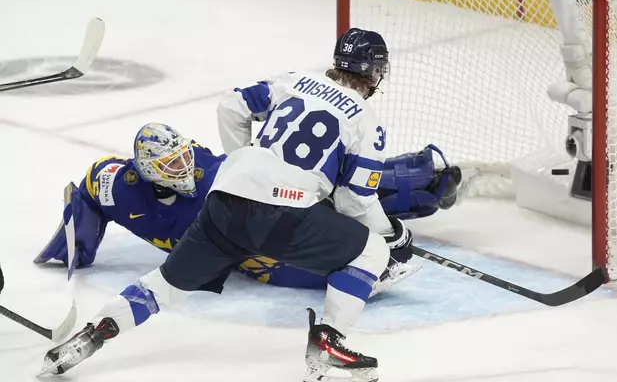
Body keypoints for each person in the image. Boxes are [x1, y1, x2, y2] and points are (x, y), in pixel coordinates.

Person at [40, 28, 461, 382]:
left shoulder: (293, 80)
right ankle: (328, 343)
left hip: (223, 202)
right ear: (375, 73)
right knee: (371, 251)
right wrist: (392, 234)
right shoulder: (367, 123)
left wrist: (243, 163)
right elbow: (355, 200)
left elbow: (231, 105)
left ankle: (93, 336)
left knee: (162, 286)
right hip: (284, 215)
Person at [34, 124, 460, 293]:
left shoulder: (209, 175)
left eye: (184, 156)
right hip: (238, 251)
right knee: (282, 263)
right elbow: (87, 191)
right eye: (169, 164)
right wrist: (77, 244)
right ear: (146, 170)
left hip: (266, 201)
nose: (183, 168)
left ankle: (423, 178)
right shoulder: (116, 184)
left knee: (338, 199)